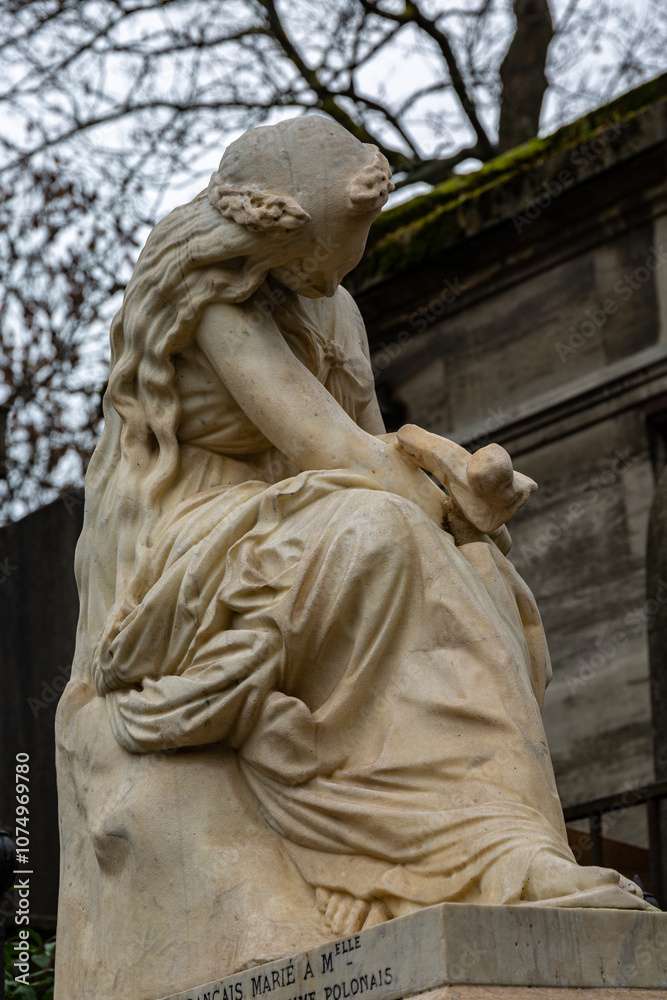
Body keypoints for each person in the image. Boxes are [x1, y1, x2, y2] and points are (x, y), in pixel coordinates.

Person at [54, 116, 649, 1000]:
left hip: (307, 510)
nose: (336, 275)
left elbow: (366, 447)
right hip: (186, 544)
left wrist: (462, 500)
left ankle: (496, 841)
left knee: (476, 565)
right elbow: (327, 444)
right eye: (331, 247)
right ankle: (467, 852)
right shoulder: (217, 294)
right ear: (273, 225)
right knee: (383, 535)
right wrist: (437, 482)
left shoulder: (332, 302)